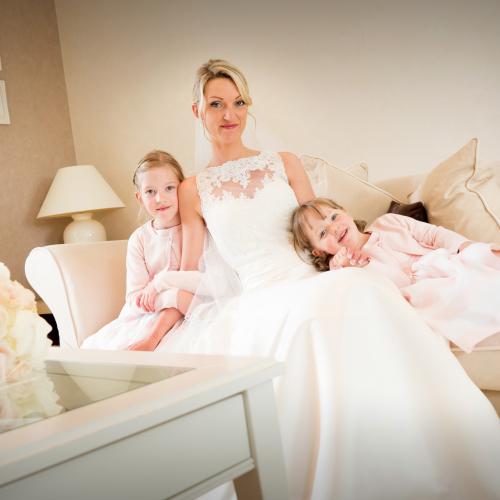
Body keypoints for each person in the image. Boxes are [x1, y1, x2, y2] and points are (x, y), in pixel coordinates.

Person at [156, 59, 500, 500]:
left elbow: (319, 225)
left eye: (238, 103)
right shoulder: (191, 188)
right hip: (261, 295)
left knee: (362, 288)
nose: (229, 115)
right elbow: (192, 268)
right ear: (197, 111)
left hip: (315, 278)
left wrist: (354, 257)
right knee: (317, 315)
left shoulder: (283, 162)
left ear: (248, 107)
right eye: (217, 104)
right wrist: (159, 325)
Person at [290, 197, 500, 353]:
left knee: (478, 257)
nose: (334, 228)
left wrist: (465, 246)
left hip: (445, 263)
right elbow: (353, 295)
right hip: (419, 293)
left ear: (345, 211)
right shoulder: (343, 269)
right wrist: (345, 268)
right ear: (318, 251)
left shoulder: (389, 222)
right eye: (323, 233)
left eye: (334, 217)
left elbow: (435, 235)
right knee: (447, 294)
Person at [82, 150, 196, 351]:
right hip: (149, 317)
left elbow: (198, 286)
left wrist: (162, 292)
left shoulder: (195, 230)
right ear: (139, 197)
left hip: (190, 313)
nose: (160, 198)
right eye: (150, 191)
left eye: (169, 188)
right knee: (98, 348)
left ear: (182, 189)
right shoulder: (139, 239)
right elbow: (136, 298)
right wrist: (169, 297)